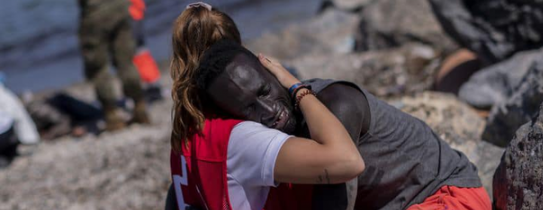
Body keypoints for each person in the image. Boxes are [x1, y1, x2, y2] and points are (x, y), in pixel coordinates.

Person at [168, 3, 491, 210]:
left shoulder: (336, 102)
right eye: (249, 109)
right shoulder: (249, 128)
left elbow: (335, 194)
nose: (268, 110)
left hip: (442, 196)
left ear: (270, 68)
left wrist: (297, 88)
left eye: (265, 90)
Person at [169, 6, 364, 210]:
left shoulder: (186, 129)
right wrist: (298, 88)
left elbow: (176, 196)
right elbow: (347, 162)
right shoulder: (240, 137)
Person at [77, 0, 150, 131]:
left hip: (95, 13)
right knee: (126, 61)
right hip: (120, 7)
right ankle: (140, 106)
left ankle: (112, 115)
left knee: (98, 68)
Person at [128, 0, 164, 102]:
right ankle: (151, 85)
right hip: (133, 13)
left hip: (131, 14)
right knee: (139, 51)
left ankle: (152, 86)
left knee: (138, 52)